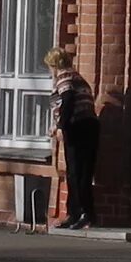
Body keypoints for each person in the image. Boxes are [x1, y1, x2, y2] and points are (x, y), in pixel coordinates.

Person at [48, 48, 99, 229]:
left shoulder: (65, 78)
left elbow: (68, 101)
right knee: (81, 172)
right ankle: (79, 213)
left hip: (78, 127)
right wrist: (57, 125)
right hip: (88, 126)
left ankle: (81, 213)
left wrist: (62, 126)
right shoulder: (76, 77)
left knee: (76, 172)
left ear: (54, 65)